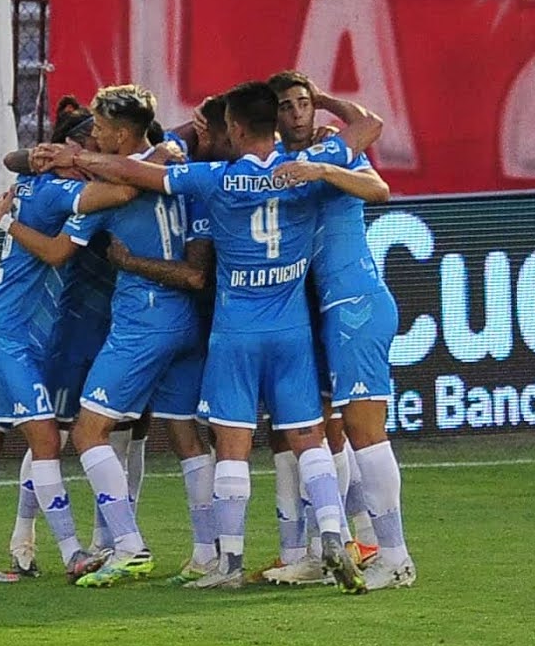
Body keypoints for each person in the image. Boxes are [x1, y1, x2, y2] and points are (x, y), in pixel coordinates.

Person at [71, 80, 372, 592]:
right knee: (307, 437)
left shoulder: (216, 180)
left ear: (233, 128)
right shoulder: (305, 172)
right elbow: (369, 127)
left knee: (232, 444)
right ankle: (332, 535)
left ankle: (228, 564)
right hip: (292, 330)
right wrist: (321, 114)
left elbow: (132, 171)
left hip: (236, 333)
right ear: (274, 125)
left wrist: (78, 160)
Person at [15, 85, 215, 586]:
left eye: (100, 128)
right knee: (187, 436)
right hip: (186, 318)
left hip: (142, 321)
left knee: (87, 432)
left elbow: (60, 250)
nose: (93, 135)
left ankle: (129, 546)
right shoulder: (172, 159)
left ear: (122, 134)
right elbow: (176, 140)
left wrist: (9, 219)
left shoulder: (107, 194)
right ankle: (209, 552)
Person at [259, 71, 415, 591]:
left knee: (367, 431)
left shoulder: (334, 153)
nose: (299, 111)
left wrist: (323, 168)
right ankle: (336, 549)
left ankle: (395, 557)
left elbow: (380, 188)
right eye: (288, 105)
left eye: (305, 103)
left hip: (358, 303)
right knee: (327, 430)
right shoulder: (279, 166)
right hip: (321, 309)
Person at [0, 150, 94, 581]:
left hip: (0, 328)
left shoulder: (33, 187)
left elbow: (13, 159)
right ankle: (72, 554)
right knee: (46, 440)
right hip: (9, 337)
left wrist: (33, 159)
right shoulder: (55, 193)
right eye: (81, 152)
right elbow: (115, 191)